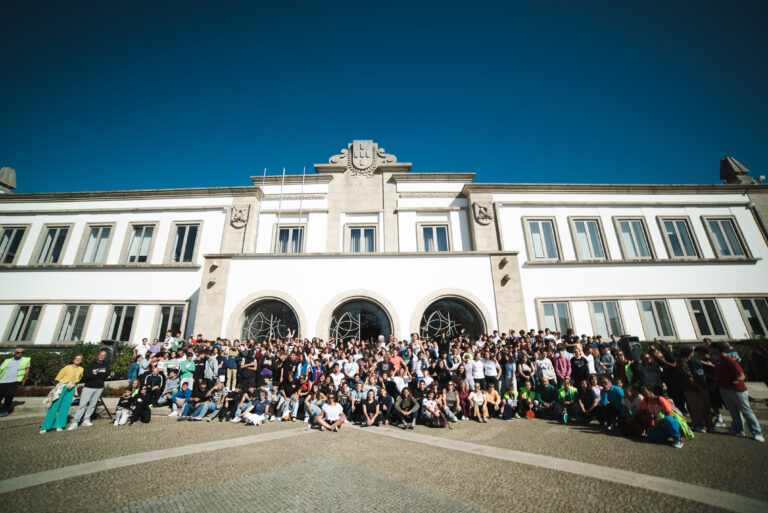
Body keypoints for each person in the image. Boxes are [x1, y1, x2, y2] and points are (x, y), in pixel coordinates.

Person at [710, 342, 764, 442]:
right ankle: (738, 429)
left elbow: (741, 374)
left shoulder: (729, 359)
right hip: (724, 388)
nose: (710, 351)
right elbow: (719, 373)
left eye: (712, 348)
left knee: (746, 411)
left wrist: (738, 380)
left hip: (736, 389)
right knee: (733, 410)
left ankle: (757, 432)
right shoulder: (719, 359)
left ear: (717, 349)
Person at [69, 349, 111, 430]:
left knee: (92, 405)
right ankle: (75, 421)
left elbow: (107, 374)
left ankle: (86, 419)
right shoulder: (91, 364)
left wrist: (96, 374)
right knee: (82, 404)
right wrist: (97, 375)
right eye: (100, 355)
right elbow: (87, 375)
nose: (101, 356)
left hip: (99, 387)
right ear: (98, 355)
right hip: (89, 387)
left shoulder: (106, 365)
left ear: (105, 357)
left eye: (103, 355)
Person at [40, 355, 83, 434]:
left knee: (65, 406)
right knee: (54, 405)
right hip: (62, 386)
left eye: (80, 359)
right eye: (76, 358)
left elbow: (79, 379)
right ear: (73, 359)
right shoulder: (67, 367)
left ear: (81, 361)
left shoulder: (81, 369)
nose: (78, 360)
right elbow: (58, 377)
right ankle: (46, 426)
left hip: (72, 388)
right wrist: (60, 386)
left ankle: (59, 425)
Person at [640, 384, 684, 448]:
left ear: (651, 391)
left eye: (644, 391)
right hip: (660, 423)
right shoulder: (645, 400)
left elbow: (670, 415)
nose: (642, 393)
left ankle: (678, 439)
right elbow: (648, 414)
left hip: (671, 422)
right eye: (642, 391)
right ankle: (669, 434)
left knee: (668, 420)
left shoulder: (661, 399)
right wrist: (651, 426)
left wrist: (661, 423)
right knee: (650, 436)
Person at [0, 347, 31, 417]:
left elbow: (27, 369)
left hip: (14, 381)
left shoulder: (26, 360)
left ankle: (5, 410)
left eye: (21, 352)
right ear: (14, 353)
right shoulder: (7, 360)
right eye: (18, 352)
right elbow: (1, 369)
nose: (20, 354)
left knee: (9, 395)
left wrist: (25, 378)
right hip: (2, 381)